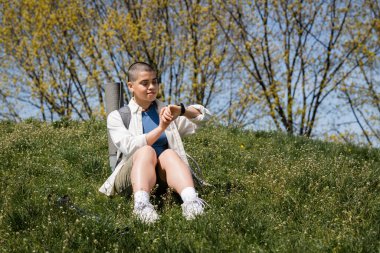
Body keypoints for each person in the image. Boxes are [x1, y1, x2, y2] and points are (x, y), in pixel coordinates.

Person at [99, 62, 212, 223]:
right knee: (146, 151)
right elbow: (130, 146)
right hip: (131, 180)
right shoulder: (118, 116)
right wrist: (160, 128)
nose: (151, 87)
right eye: (145, 83)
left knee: (169, 153)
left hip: (163, 177)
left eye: (155, 81)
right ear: (131, 86)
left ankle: (191, 202)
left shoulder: (165, 111)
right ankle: (141, 206)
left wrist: (181, 111)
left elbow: (204, 118)